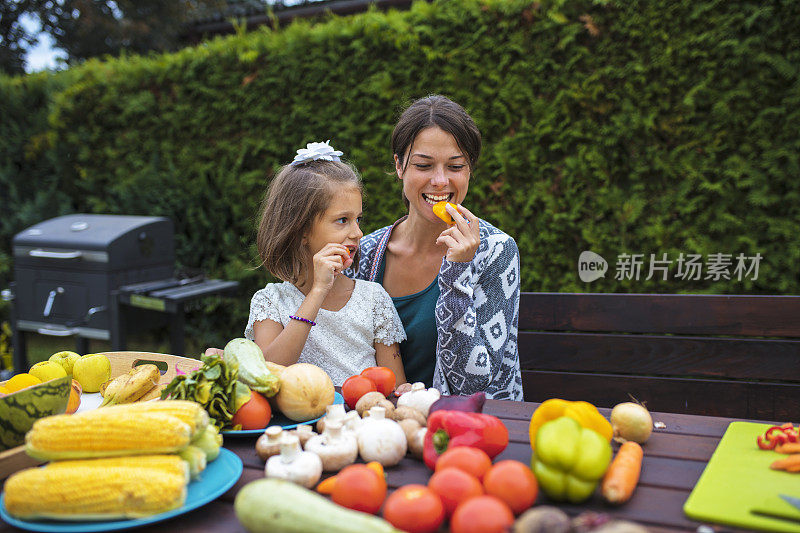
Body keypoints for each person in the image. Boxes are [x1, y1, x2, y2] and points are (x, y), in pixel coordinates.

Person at [348, 95, 523, 400]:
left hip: (467, 428)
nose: (440, 181)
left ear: (469, 171)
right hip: (382, 425)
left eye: (455, 166)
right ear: (400, 166)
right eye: (424, 165)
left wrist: (457, 274)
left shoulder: (496, 251)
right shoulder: (366, 253)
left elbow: (475, 385)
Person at [241, 141, 407, 387]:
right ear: (302, 230)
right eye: (342, 220)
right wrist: (317, 292)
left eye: (358, 219)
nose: (358, 232)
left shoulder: (373, 299)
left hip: (361, 421)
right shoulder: (270, 302)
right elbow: (269, 373)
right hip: (301, 424)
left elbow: (394, 387)